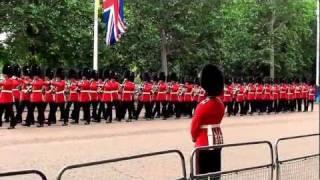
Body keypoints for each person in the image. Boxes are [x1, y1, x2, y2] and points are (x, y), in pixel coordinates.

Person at [191, 64, 224, 175]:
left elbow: (194, 126)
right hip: (217, 139)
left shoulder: (203, 105)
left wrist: (194, 138)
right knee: (215, 172)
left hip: (203, 141)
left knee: (202, 174)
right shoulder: (220, 104)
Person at [0, 64, 16, 129]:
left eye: (4, 74)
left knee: (10, 112)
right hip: (2, 98)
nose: (3, 75)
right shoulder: (4, 80)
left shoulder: (11, 80)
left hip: (8, 98)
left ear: (7, 74)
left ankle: (12, 124)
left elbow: (7, 84)